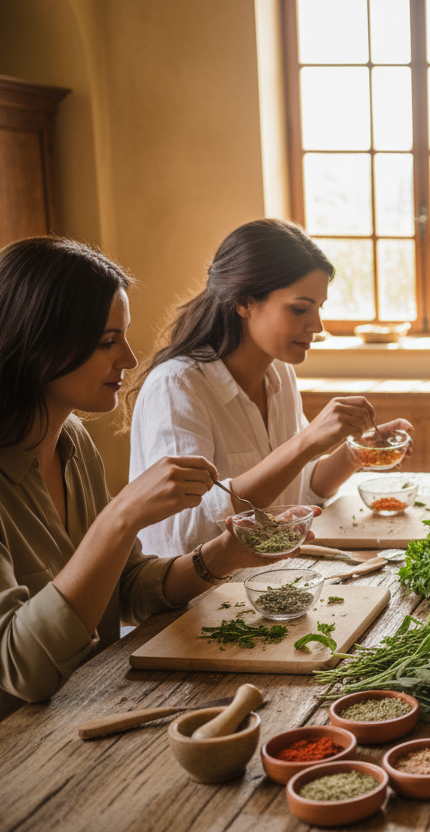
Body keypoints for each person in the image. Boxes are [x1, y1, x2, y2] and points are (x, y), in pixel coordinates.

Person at [0, 237, 303, 720]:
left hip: (91, 704)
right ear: (38, 344)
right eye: (106, 342)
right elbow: (23, 671)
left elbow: (128, 592)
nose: (129, 359)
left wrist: (223, 554)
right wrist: (121, 516)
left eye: (122, 335)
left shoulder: (72, 441)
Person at [126, 219, 411, 555]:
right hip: (191, 599)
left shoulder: (279, 373)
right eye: (300, 308)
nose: (317, 326)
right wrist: (307, 441)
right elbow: (187, 533)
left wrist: (356, 452)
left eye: (319, 308)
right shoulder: (178, 387)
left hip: (267, 580)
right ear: (245, 302)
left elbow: (300, 492)